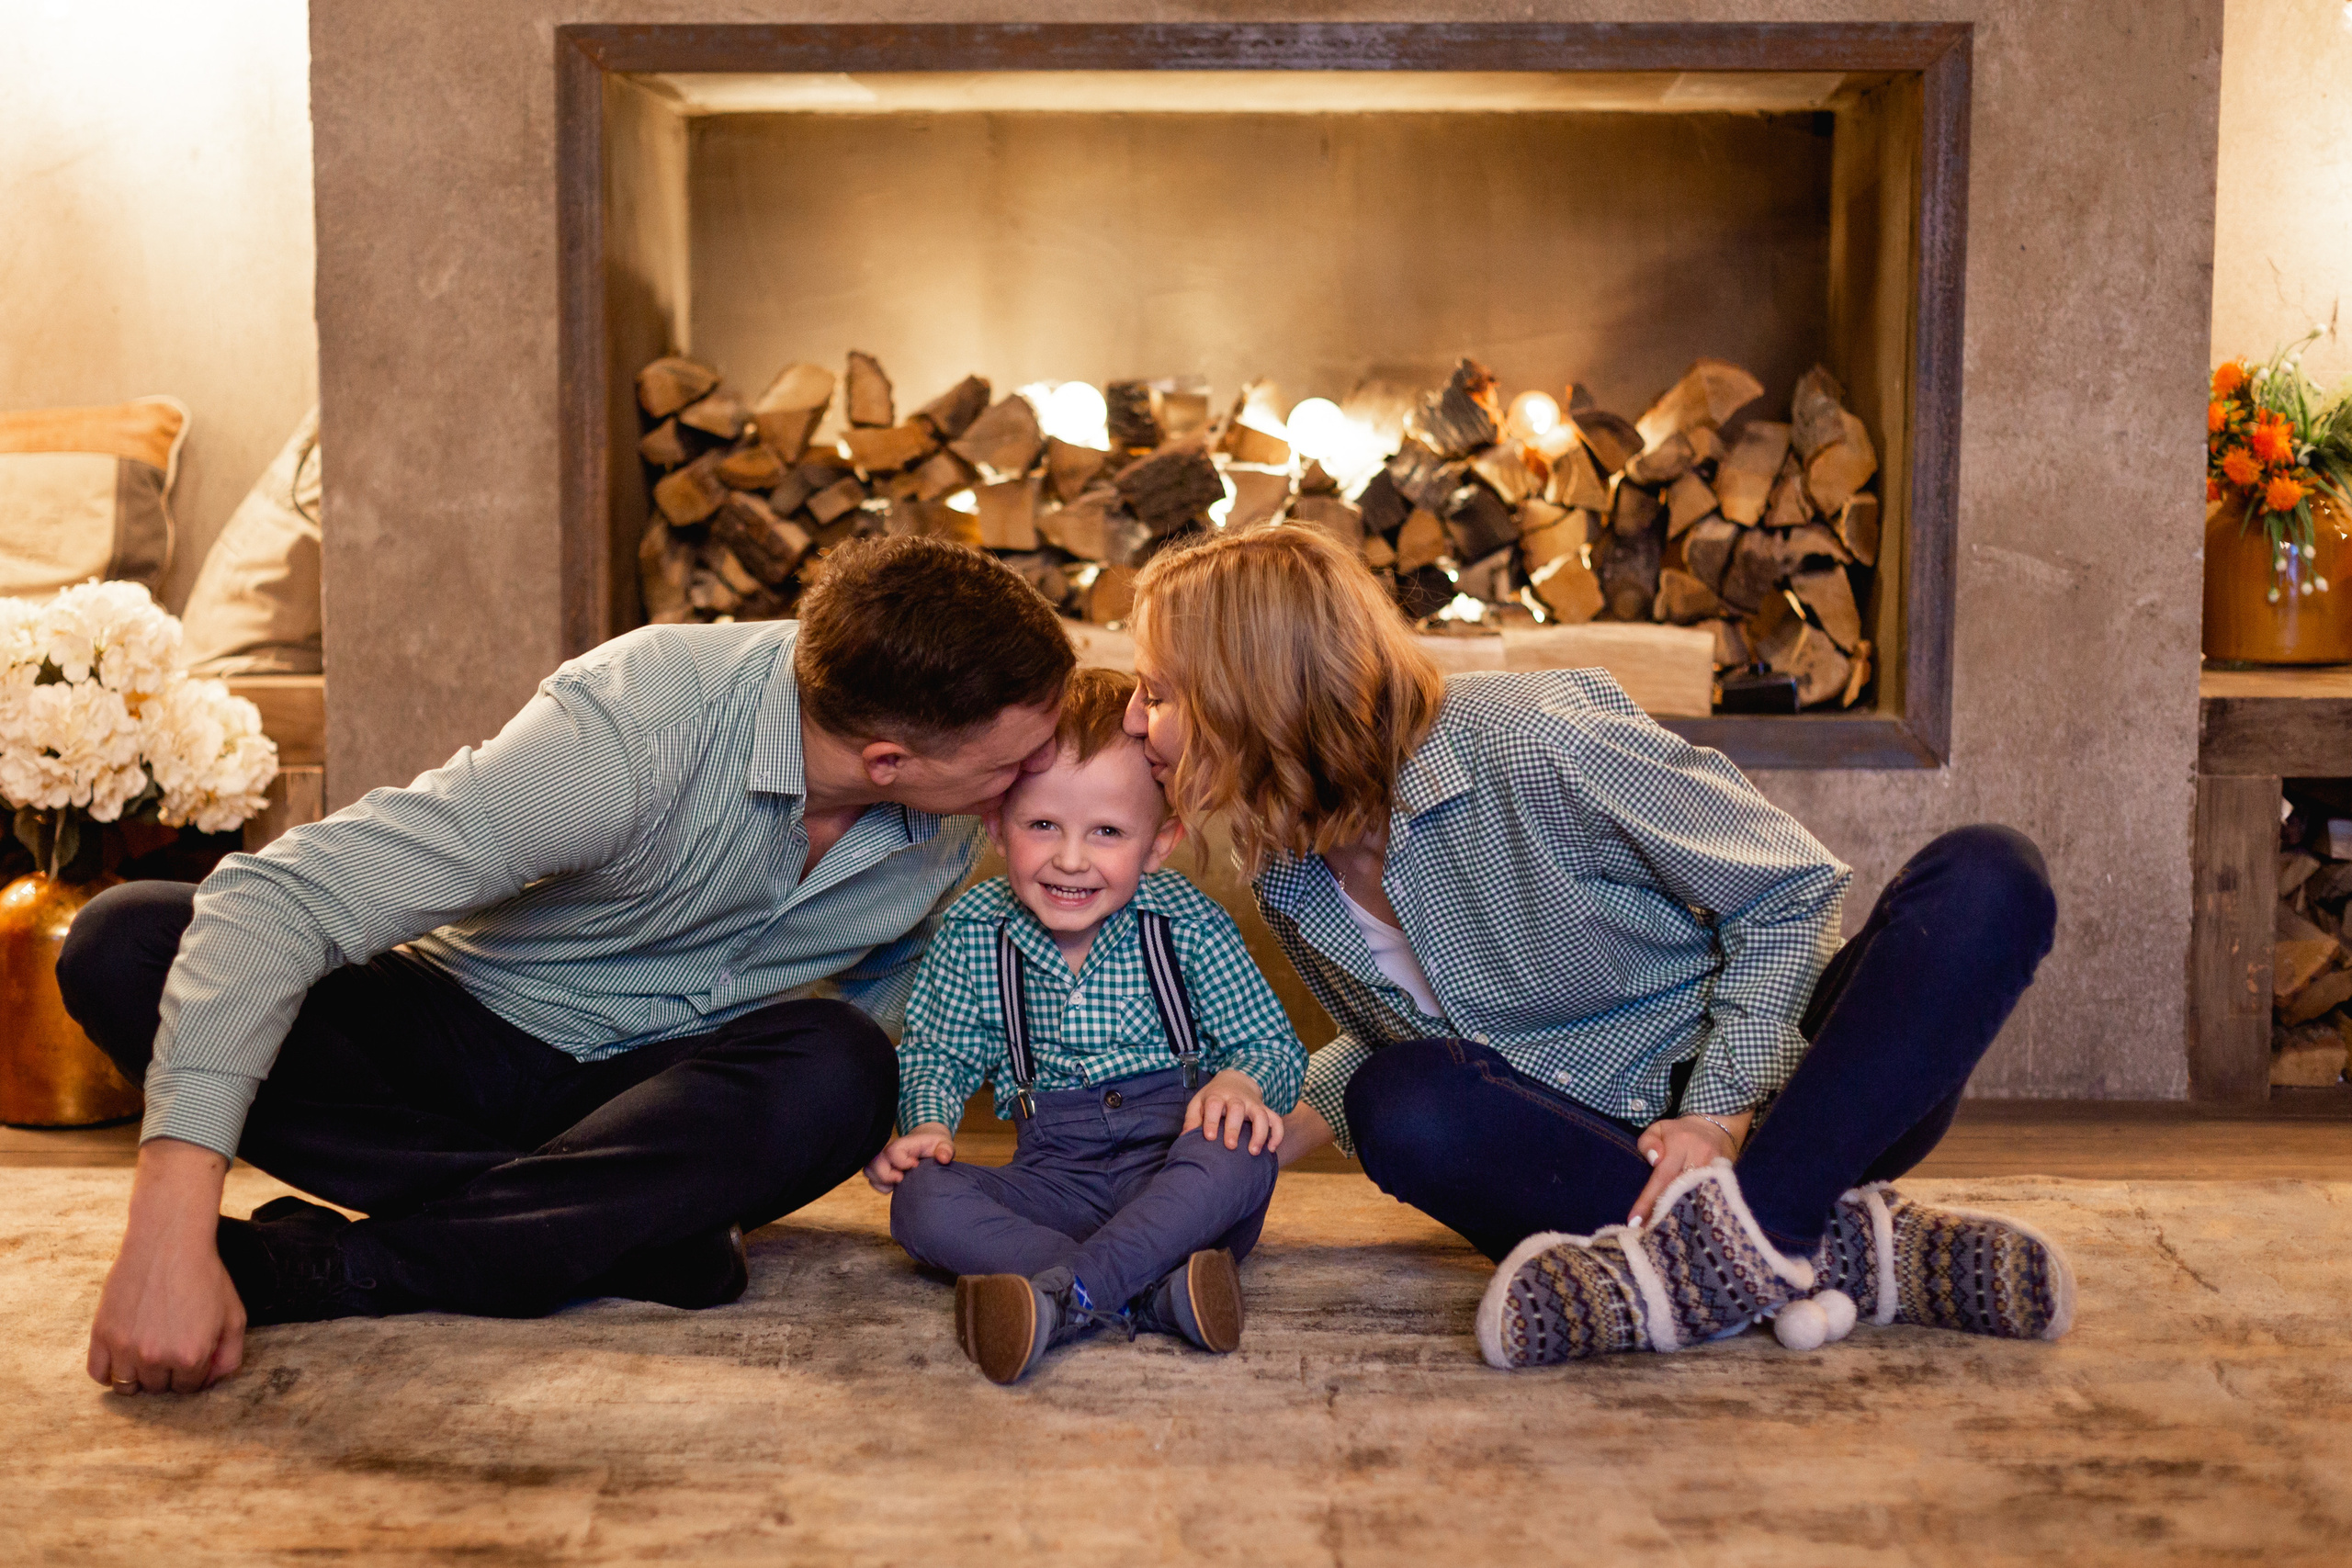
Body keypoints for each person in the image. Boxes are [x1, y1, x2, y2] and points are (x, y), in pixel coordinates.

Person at [61, 536, 1077, 1395]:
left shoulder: (956, 808)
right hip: (455, 1035)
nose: (1025, 782)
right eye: (1007, 767)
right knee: (125, 942)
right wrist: (167, 1225)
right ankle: (625, 1231)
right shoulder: (634, 729)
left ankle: (329, 1265)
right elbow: (283, 897)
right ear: (888, 757)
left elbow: (891, 990)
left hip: (655, 1098)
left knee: (845, 1065)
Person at [1121, 524, 2070, 1369]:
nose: (1133, 720)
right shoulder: (1289, 874)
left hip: (1794, 1107)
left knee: (1989, 874)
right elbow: (1392, 1040)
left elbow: (1782, 894)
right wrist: (1249, 1129)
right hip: (1595, 1162)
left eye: (1157, 693)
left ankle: (1745, 1230)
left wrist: (1717, 1118)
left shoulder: (1536, 741)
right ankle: (1825, 1245)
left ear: (1252, 693)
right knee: (1394, 1102)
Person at [866, 668, 1305, 1385]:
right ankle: (1156, 1294)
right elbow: (938, 1056)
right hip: (1052, 1183)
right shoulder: (977, 930)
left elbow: (1271, 1044)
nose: (1071, 859)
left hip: (1171, 1175)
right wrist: (927, 1126)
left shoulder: (1183, 920)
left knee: (1242, 1158)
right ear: (997, 829)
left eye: (1106, 831)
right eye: (1043, 825)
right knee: (921, 1202)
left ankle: (1060, 1294)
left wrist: (1240, 1078)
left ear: (1158, 844)